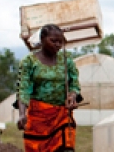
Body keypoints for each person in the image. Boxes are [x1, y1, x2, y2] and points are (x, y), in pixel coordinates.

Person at [17, 24, 81, 152]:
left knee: (66, 148)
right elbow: (23, 90)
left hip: (62, 116)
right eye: (53, 41)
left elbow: (74, 84)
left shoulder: (66, 60)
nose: (57, 44)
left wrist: (72, 96)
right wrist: (22, 114)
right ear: (42, 39)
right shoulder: (29, 61)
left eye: (60, 42)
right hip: (38, 119)